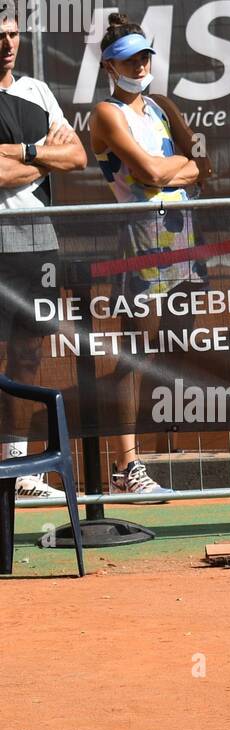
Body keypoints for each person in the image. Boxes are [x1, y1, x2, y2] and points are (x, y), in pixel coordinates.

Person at [89, 13, 212, 498]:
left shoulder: (161, 109)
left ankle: (153, 454)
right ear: (109, 66)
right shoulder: (106, 114)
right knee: (131, 354)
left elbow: (197, 168)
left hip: (183, 234)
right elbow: (151, 174)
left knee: (173, 346)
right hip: (140, 239)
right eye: (128, 59)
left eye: (144, 56)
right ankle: (126, 466)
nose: (139, 66)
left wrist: (172, 171)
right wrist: (174, 171)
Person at [0, 13, 85, 502]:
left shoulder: (37, 91)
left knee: (29, 355)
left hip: (38, 243)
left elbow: (74, 156)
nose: (8, 44)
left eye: (13, 34)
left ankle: (20, 468)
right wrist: (38, 159)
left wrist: (20, 150)